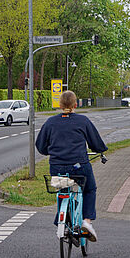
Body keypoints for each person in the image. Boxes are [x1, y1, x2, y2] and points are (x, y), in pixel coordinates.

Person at [36, 90, 107, 242]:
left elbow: (41, 146)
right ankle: (87, 222)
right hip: (79, 166)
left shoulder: (50, 122)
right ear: (76, 104)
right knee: (89, 189)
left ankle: (62, 222)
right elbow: (95, 142)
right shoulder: (83, 121)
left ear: (60, 105)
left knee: (63, 189)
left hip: (57, 166)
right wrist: (100, 150)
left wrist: (53, 151)